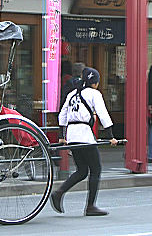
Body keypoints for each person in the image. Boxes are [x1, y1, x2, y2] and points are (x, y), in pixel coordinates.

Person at [51, 67, 117, 216]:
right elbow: (103, 114)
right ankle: (91, 206)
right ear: (94, 83)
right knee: (96, 169)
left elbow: (62, 115)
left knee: (82, 170)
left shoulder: (72, 94)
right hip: (85, 135)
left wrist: (62, 136)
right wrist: (111, 136)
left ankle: (59, 193)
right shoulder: (94, 94)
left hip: (72, 135)